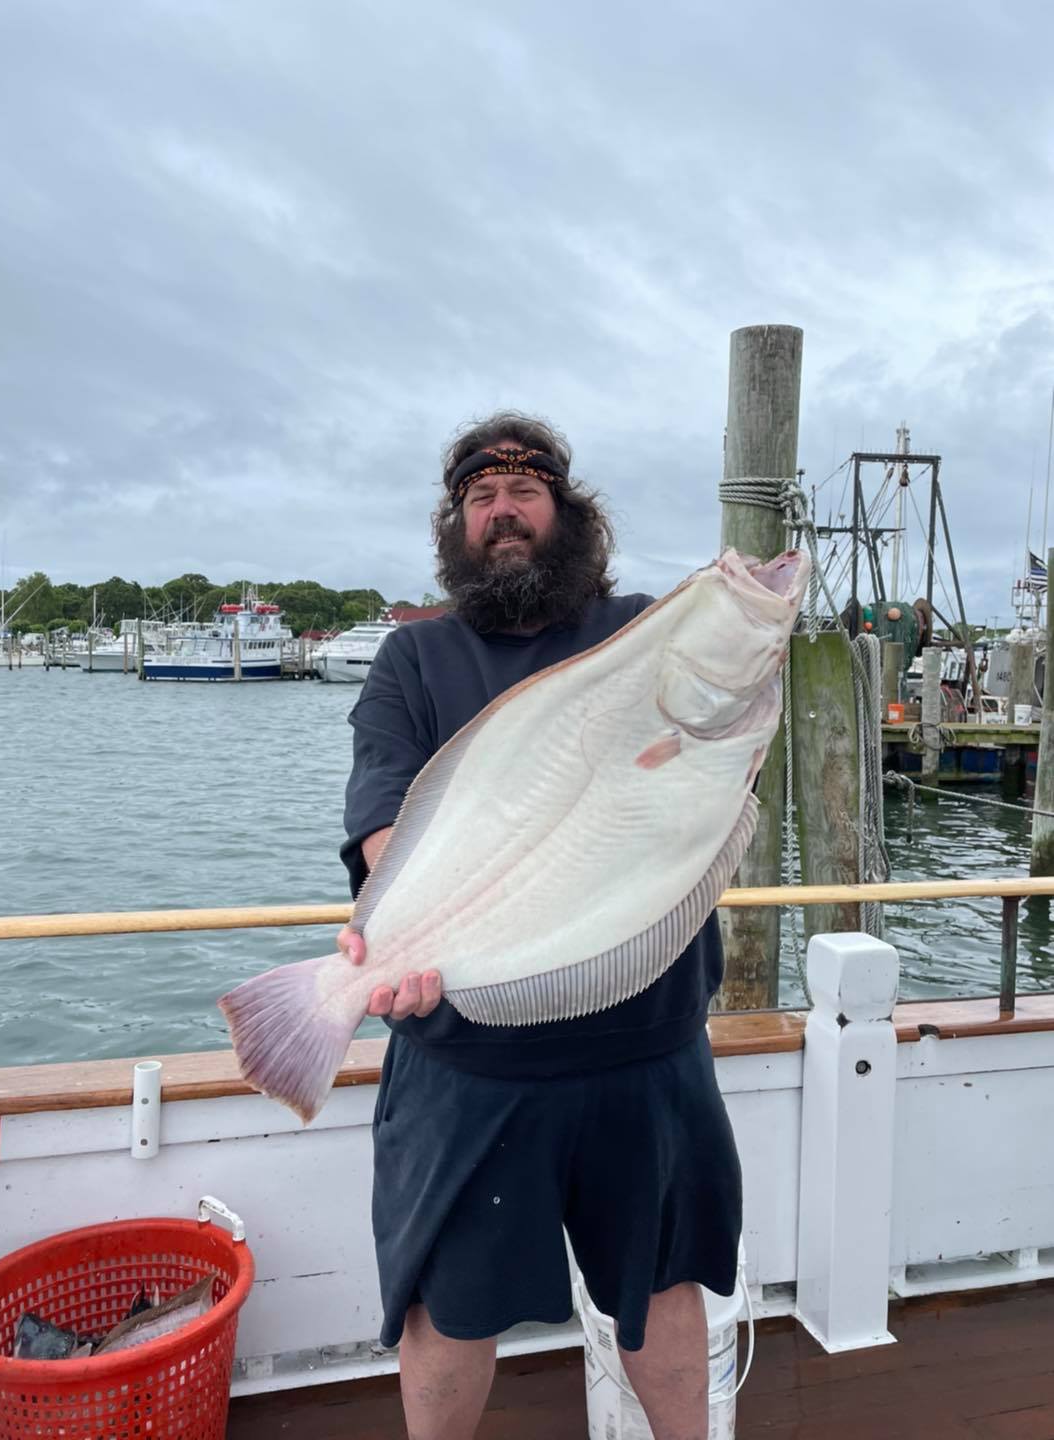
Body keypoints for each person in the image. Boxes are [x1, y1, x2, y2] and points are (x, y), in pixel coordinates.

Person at [338, 412, 742, 1440]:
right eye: (480, 497)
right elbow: (384, 819)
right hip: (467, 1059)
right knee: (447, 1306)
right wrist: (404, 936)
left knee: (664, 1288)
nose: (501, 511)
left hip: (645, 1046)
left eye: (523, 492)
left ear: (567, 515)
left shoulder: (636, 634)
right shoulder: (411, 662)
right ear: (454, 525)